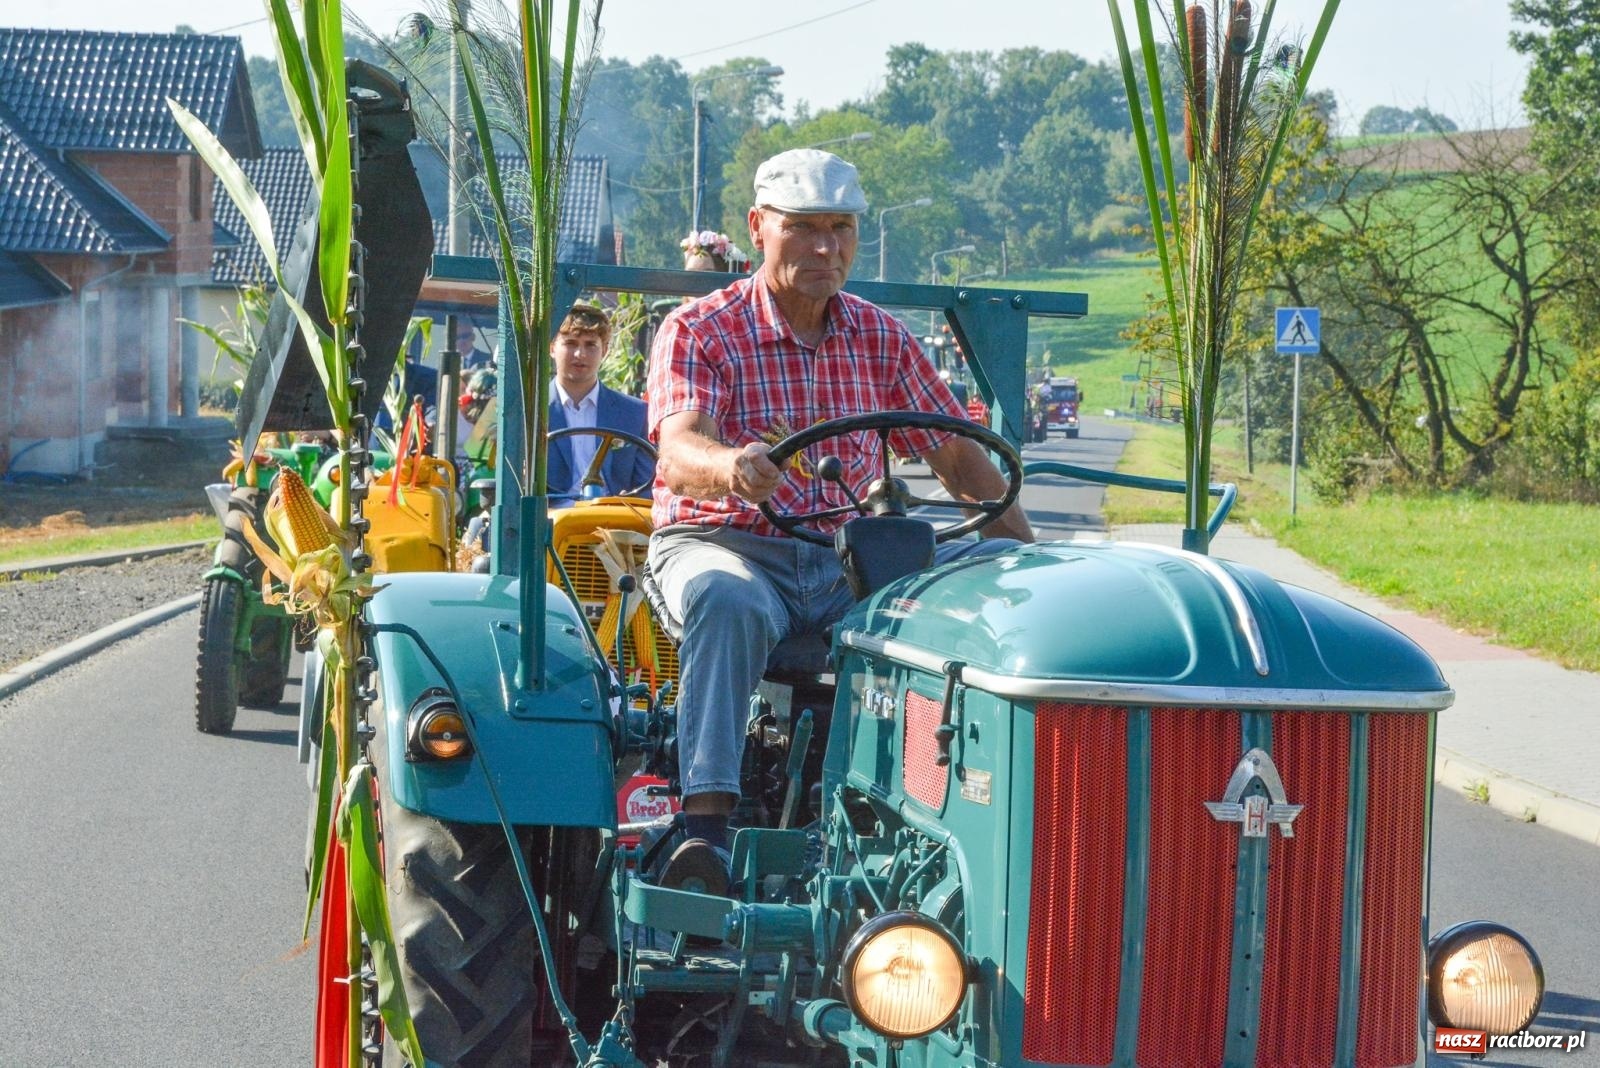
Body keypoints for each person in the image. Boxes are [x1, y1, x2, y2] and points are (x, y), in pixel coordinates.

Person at [645, 148, 1034, 887]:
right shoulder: (701, 329)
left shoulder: (881, 337)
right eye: (804, 228)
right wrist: (732, 468)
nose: (826, 247)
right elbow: (679, 446)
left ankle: (947, 803)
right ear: (759, 228)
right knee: (725, 599)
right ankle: (707, 829)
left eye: (841, 228)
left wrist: (1025, 557)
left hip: (840, 562)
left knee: (970, 588)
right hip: (724, 541)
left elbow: (957, 459)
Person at [548, 303, 655, 500]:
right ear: (552, 348)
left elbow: (645, 487)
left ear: (604, 351)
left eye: (590, 345)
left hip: (612, 519)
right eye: (571, 343)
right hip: (547, 519)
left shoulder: (634, 412)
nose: (580, 354)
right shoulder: (529, 411)